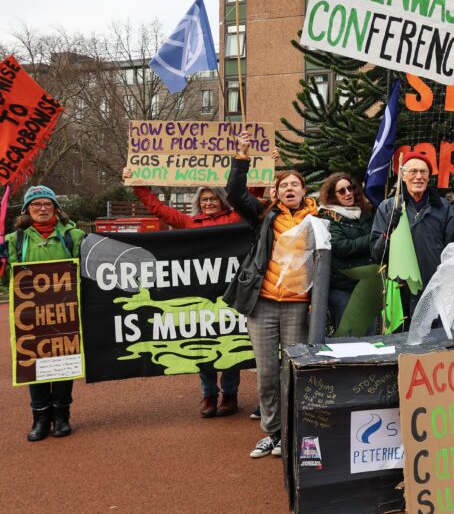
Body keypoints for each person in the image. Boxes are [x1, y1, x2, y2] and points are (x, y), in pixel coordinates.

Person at [223, 131, 328, 459]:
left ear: (303, 190)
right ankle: (273, 432)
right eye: (284, 185)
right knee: (267, 373)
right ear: (277, 192)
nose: (289, 189)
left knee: (292, 372)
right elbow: (235, 193)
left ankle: (293, 432)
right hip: (263, 305)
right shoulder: (264, 215)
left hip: (299, 307)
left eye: (295, 184)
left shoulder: (320, 220)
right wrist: (242, 156)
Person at [123, 167, 243, 418]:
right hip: (199, 294)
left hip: (229, 293)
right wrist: (137, 184)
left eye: (213, 199)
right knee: (204, 345)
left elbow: (249, 192)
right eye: (204, 200)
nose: (209, 203)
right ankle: (209, 395)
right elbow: (157, 208)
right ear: (198, 203)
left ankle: (230, 395)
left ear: (221, 200)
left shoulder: (235, 218)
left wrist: (263, 169)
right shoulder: (188, 222)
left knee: (231, 342)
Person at [3, 186, 86, 442]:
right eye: (36, 204)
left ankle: (62, 416)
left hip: (65, 312)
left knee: (63, 364)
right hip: (29, 316)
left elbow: (86, 270)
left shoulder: (74, 235)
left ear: (55, 208)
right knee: (34, 365)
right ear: (27, 209)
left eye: (47, 204)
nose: (42, 208)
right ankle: (40, 418)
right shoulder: (13, 240)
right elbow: (9, 278)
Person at [370, 151, 454, 329]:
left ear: (429, 177)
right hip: (398, 292)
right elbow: (376, 254)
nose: (418, 177)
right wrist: (388, 231)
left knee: (433, 346)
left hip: (434, 291)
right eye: (413, 172)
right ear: (403, 176)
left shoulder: (443, 208)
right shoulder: (388, 207)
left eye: (423, 172)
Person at [318, 173, 374, 335]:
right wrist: (373, 238)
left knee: (370, 339)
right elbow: (342, 247)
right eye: (341, 191)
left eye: (350, 188)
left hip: (367, 287)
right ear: (332, 195)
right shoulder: (328, 216)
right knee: (347, 339)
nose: (348, 193)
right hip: (344, 289)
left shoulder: (365, 213)